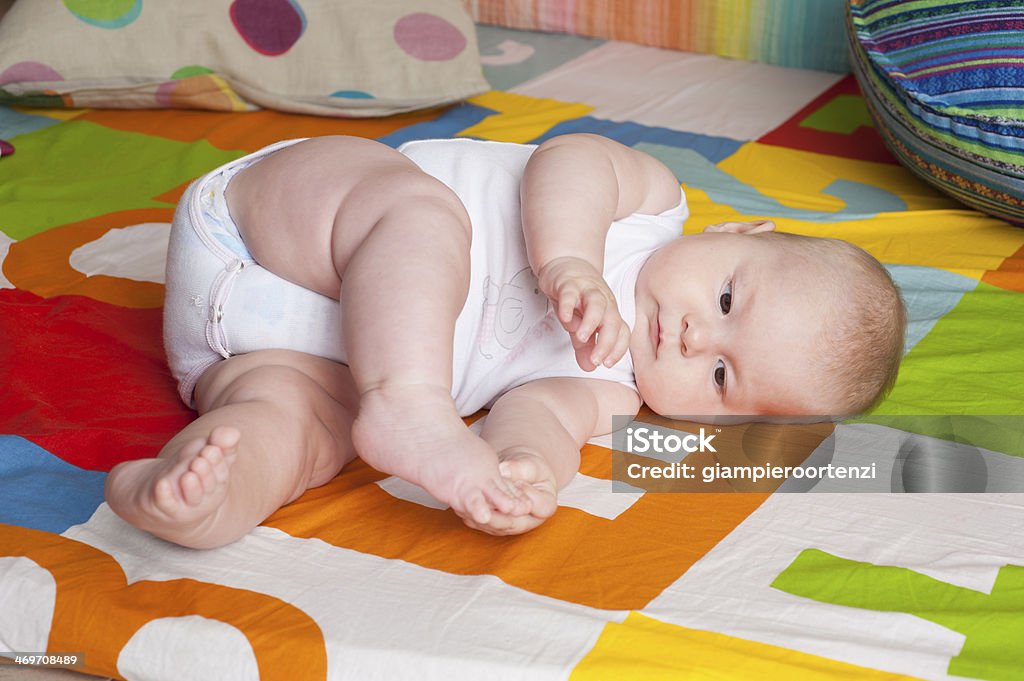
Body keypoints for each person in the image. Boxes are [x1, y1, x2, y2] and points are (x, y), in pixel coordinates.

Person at [104, 134, 906, 547]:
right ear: (738, 227)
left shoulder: (616, 388)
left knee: (304, 429)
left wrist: (522, 471)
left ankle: (201, 498)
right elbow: (569, 161)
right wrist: (570, 262)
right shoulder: (651, 206)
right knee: (422, 218)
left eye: (724, 375)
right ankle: (409, 406)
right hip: (280, 221)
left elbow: (541, 416)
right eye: (728, 295)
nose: (697, 335)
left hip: (262, 352)